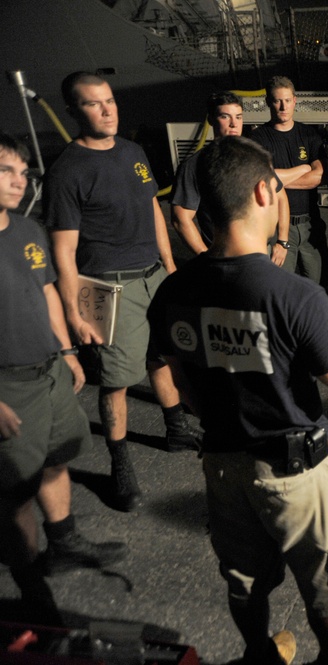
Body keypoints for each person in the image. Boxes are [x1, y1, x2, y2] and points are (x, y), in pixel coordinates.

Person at [148, 136, 328, 665]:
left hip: (222, 464)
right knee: (324, 580)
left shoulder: (174, 291)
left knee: (244, 579)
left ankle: (258, 655)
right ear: (263, 194)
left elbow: (179, 382)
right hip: (296, 474)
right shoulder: (293, 295)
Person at [45, 71, 200, 513]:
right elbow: (64, 250)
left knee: (162, 355)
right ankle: (120, 464)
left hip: (153, 276)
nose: (107, 109)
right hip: (107, 290)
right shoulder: (68, 171)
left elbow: (154, 208)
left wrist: (171, 266)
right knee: (115, 382)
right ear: (74, 111)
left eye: (110, 100)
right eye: (94, 104)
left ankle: (176, 430)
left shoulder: (133, 152)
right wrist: (75, 311)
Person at [0, 132, 127, 626]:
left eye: (24, 170)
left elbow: (50, 294)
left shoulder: (29, 231)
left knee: (57, 457)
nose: (21, 179)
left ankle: (65, 542)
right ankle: (32, 588)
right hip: (6, 385)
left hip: (50, 372)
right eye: (6, 171)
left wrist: (68, 353)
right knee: (13, 494)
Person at [171, 91, 291, 263]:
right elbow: (181, 218)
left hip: (263, 255)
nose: (234, 124)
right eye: (225, 117)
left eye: (239, 117)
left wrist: (282, 241)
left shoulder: (255, 157)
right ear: (212, 120)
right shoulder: (196, 165)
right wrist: (206, 257)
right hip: (223, 257)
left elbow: (280, 197)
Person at [250, 76, 328, 284]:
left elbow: (317, 176)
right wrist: (304, 167)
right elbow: (262, 181)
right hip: (277, 229)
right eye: (277, 101)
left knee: (316, 288)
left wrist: (276, 179)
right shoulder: (259, 139)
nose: (283, 106)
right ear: (268, 102)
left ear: (295, 100)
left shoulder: (309, 134)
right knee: (282, 288)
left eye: (287, 100)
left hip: (310, 223)